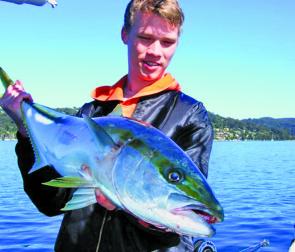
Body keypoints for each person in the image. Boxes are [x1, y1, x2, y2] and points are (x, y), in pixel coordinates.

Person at [0, 0, 214, 251]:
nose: (156, 51)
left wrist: (124, 202)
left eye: (167, 42)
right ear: (125, 35)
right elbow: (50, 203)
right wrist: (26, 131)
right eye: (145, 37)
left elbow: (175, 230)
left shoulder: (189, 116)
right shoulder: (92, 113)